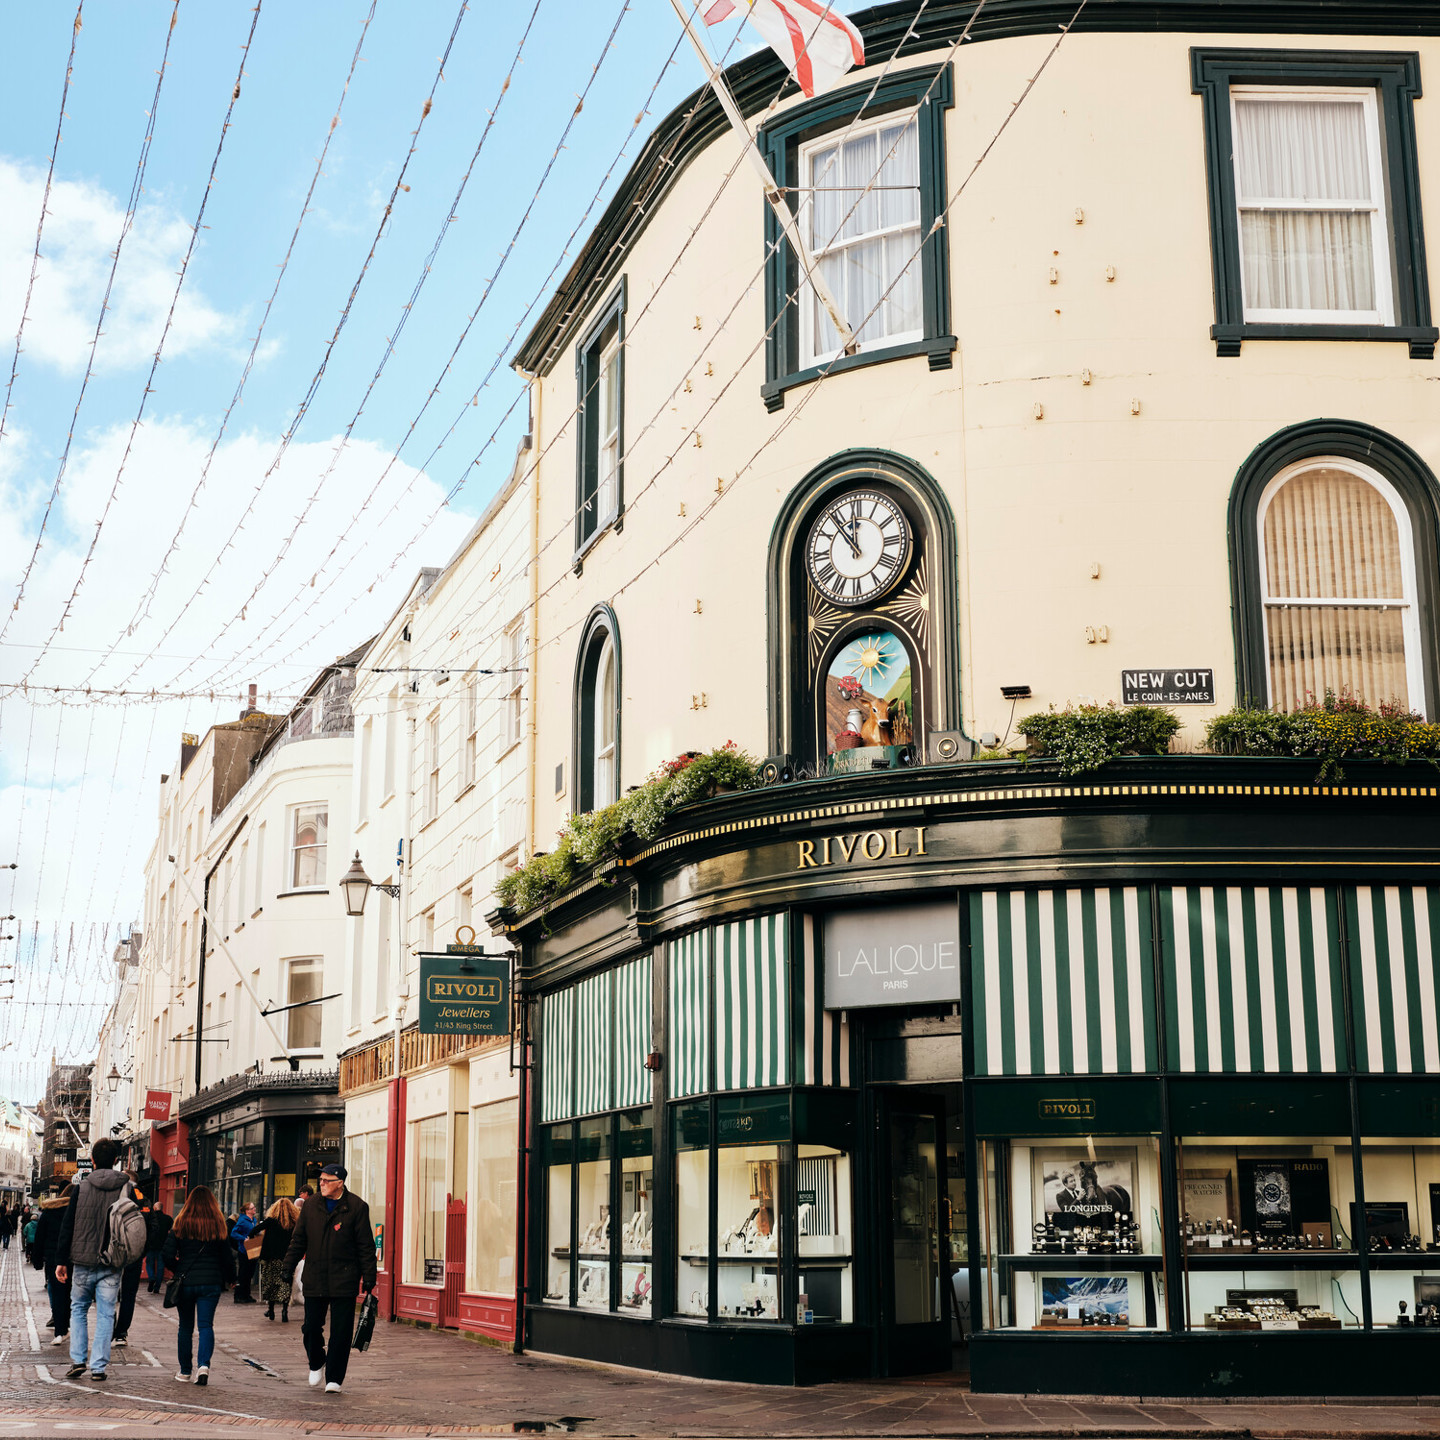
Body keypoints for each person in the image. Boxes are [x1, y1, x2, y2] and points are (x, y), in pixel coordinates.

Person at [283, 1163, 375, 1395]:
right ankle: (317, 1361)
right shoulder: (311, 1206)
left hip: (344, 1277)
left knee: (341, 1332)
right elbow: (298, 1240)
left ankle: (334, 1378)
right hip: (315, 1276)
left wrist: (369, 1276)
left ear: (340, 1183)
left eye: (326, 1180)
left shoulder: (356, 1207)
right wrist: (287, 1267)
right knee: (310, 1327)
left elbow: (365, 1246)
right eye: (320, 1180)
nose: (321, 1184)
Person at [55, 1137, 132, 1382]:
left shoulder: (82, 1188)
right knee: (106, 1313)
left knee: (78, 1309)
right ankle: (98, 1366)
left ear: (93, 1161)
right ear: (117, 1160)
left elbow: (68, 1224)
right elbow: (136, 1227)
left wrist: (61, 1260)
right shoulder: (126, 1188)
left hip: (82, 1260)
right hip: (112, 1262)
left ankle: (78, 1360)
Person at [161, 1186, 235, 1386]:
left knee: (185, 1327)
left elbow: (166, 1254)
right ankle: (203, 1366)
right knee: (205, 1326)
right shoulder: (219, 1224)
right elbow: (227, 1257)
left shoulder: (181, 1222)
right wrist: (231, 1278)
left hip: (185, 1282)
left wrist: (179, 1269)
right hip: (210, 1282)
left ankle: (185, 1371)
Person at [35, 1186, 73, 1348]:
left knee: (58, 1294)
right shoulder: (77, 1211)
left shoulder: (49, 1211)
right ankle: (67, 1327)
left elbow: (39, 1236)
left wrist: (37, 1259)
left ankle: (60, 1331)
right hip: (74, 1258)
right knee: (73, 1295)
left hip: (53, 1258)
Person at [253, 1197, 299, 1321]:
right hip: (287, 1259)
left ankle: (271, 1310)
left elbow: (253, 1231)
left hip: (270, 1258)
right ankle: (284, 1311)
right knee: (285, 1284)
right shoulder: (294, 1222)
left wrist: (260, 1239)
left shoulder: (270, 1221)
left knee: (271, 1284)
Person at [230, 1201, 259, 1303]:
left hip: (252, 1249)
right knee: (243, 1273)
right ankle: (238, 1296)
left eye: (254, 1208)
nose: (254, 1209)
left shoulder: (254, 1220)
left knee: (249, 1273)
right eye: (252, 1208)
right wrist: (243, 1238)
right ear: (247, 1211)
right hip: (243, 1250)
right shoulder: (242, 1220)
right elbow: (233, 1233)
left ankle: (247, 1295)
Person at [144, 1199, 172, 1293]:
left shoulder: (150, 1218)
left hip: (151, 1245)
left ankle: (151, 1277)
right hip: (162, 1246)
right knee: (160, 1267)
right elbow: (171, 1231)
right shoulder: (168, 1219)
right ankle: (157, 1288)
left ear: (155, 1208)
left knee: (149, 1264)